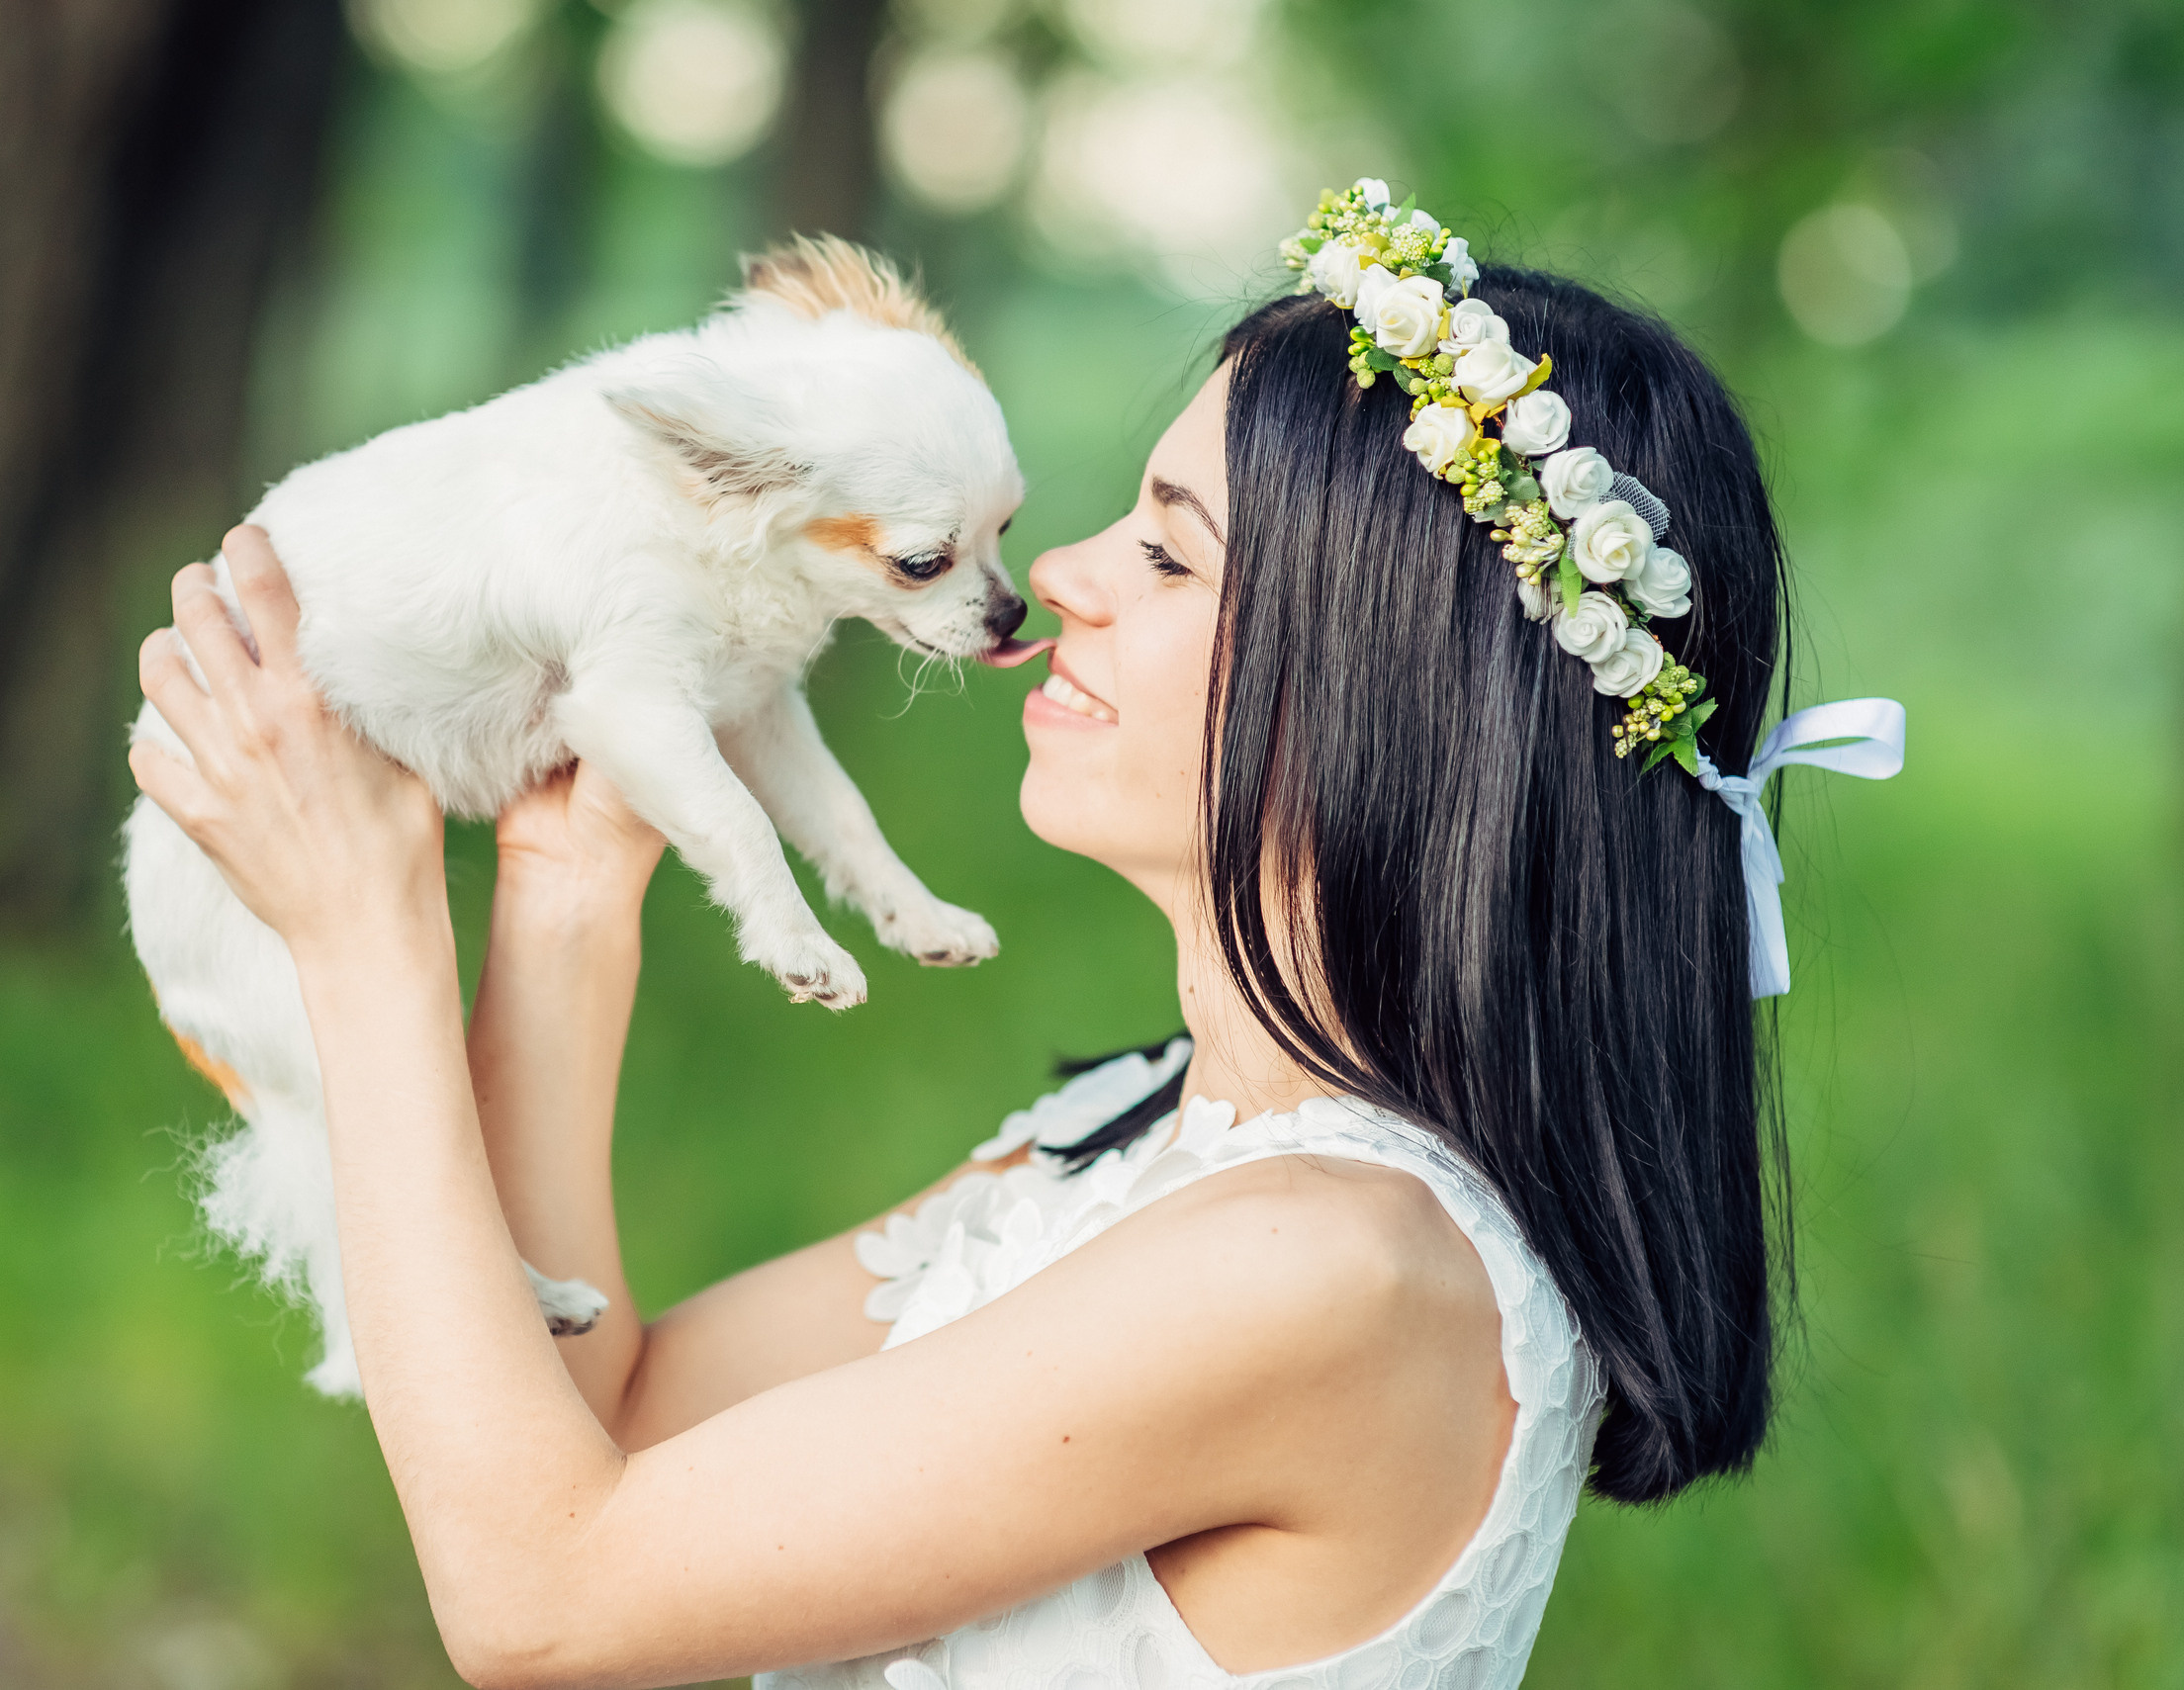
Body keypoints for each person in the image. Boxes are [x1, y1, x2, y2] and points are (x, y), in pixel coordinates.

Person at [128, 186, 1902, 1689]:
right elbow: (610, 1418)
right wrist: (572, 886)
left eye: (1171, 552)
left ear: (1389, 692)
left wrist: (363, 945)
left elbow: (543, 1599)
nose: (1059, 572)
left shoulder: (1333, 1270)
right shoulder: (1141, 1133)